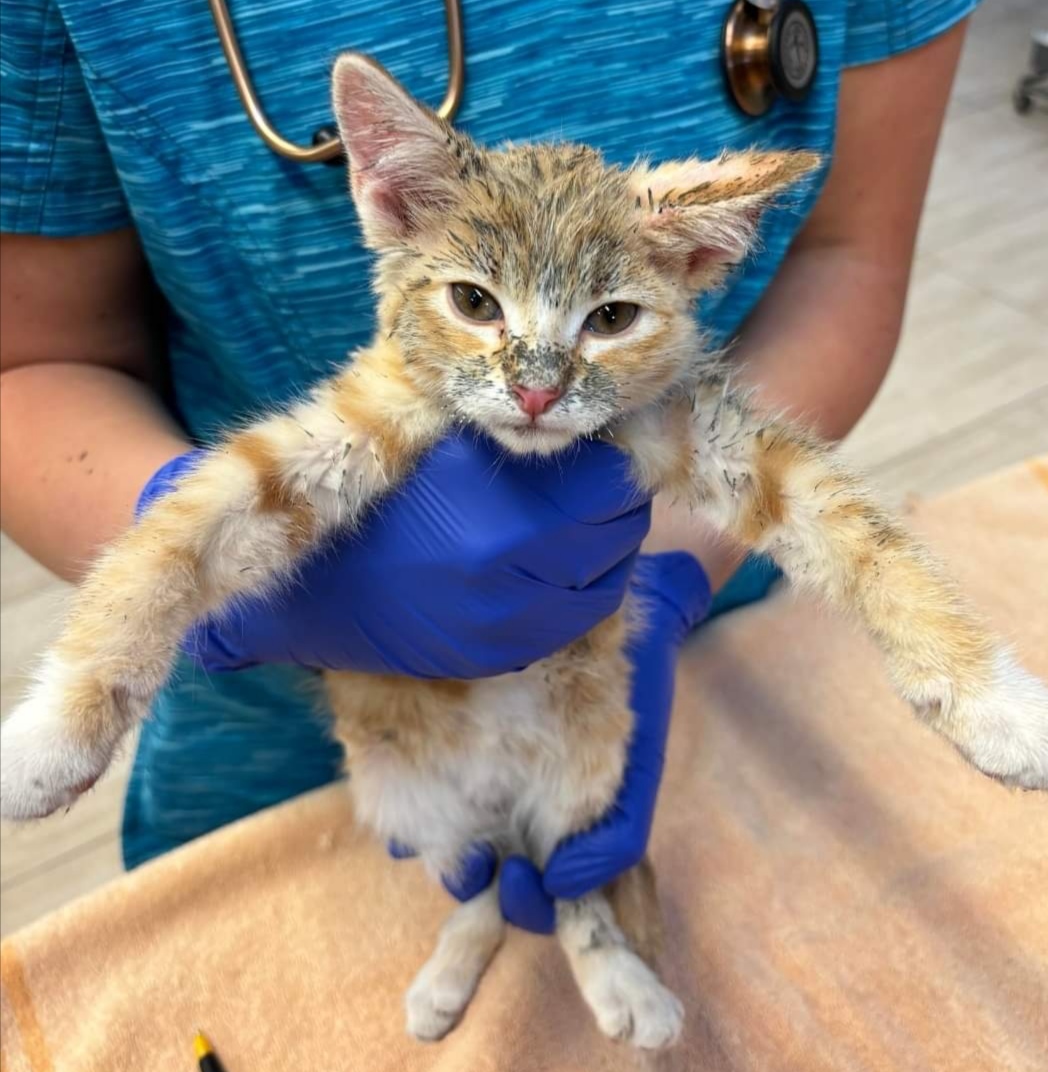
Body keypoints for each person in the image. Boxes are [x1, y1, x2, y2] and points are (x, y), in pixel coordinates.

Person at [0, 0, 976, 933]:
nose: (537, 389)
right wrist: (231, 578)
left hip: (697, 655)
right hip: (265, 735)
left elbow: (849, 256)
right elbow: (31, 359)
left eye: (610, 315)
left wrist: (671, 567)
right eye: (474, 302)